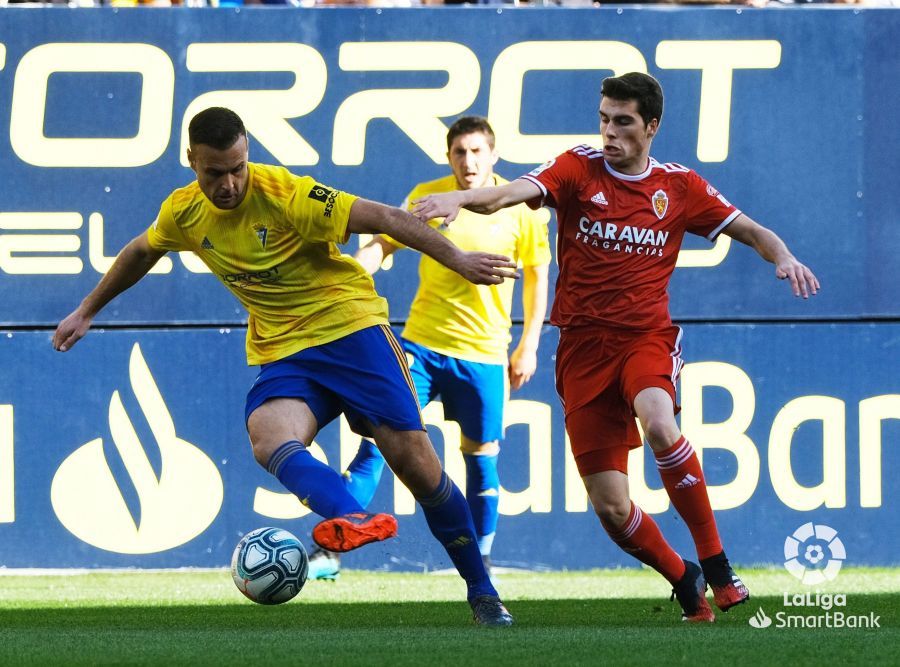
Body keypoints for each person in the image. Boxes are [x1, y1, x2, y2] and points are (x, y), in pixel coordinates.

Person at [52, 106, 518, 626]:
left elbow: (388, 218)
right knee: (266, 434)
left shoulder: (291, 195)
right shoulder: (183, 212)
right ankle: (352, 515)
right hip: (287, 350)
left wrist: (458, 259)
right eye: (214, 173)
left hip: (352, 332)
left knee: (420, 472)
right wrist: (87, 310)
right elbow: (141, 251)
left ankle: (483, 591)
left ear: (247, 151)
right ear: (191, 161)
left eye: (237, 168)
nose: (229, 183)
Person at [413, 72, 820, 622]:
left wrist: (783, 257)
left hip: (644, 339)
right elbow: (511, 194)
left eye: (622, 121)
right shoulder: (577, 168)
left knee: (658, 421)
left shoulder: (679, 187)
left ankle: (718, 566)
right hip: (582, 350)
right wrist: (461, 198)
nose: (609, 131)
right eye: (604, 118)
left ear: (651, 127)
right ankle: (685, 577)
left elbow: (750, 229)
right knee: (611, 508)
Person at [306, 116, 551, 580]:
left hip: (484, 354)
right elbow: (385, 241)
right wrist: (359, 269)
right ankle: (332, 548)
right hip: (422, 345)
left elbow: (538, 278)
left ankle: (481, 558)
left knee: (481, 455)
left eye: (477, 151)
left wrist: (529, 344)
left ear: (493, 156)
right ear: (448, 156)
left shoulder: (521, 209)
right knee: (379, 442)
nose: (468, 161)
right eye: (460, 152)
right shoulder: (432, 196)